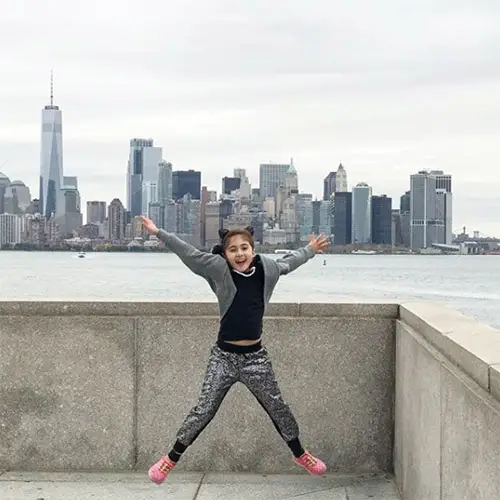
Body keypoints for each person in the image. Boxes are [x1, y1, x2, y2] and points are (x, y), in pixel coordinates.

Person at [140, 216, 330, 485]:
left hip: (256, 358)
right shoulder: (218, 269)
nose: (239, 253)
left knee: (278, 407)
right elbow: (189, 253)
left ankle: (300, 454)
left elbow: (290, 262)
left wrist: (310, 250)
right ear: (226, 254)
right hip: (224, 357)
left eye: (244, 248)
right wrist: (158, 232)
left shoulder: (268, 268)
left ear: (253, 250)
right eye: (233, 249)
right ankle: (170, 458)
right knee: (203, 410)